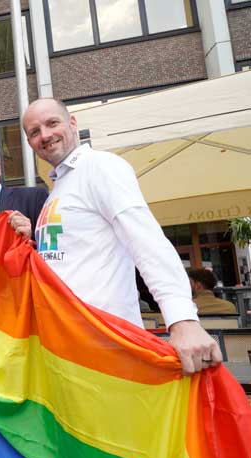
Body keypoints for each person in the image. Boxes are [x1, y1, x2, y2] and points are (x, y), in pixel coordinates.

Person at [16, 97, 222, 374]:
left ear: (72, 123)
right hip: (66, 347)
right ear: (29, 143)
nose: (45, 135)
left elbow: (146, 241)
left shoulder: (101, 167)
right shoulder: (58, 189)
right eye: (35, 132)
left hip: (106, 343)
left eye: (52, 123)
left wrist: (182, 320)